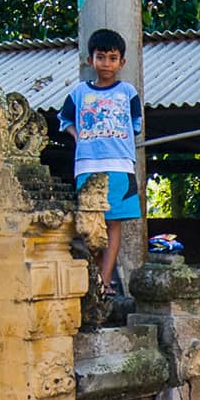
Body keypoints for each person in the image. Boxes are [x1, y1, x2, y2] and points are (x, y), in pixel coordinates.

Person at [60, 28, 143, 293]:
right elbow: (64, 120)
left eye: (112, 57)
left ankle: (104, 281)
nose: (106, 63)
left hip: (119, 164)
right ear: (90, 60)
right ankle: (96, 278)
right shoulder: (79, 93)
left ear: (122, 62)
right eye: (101, 57)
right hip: (87, 165)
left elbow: (136, 125)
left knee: (113, 223)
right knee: (90, 226)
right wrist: (79, 136)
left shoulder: (128, 92)